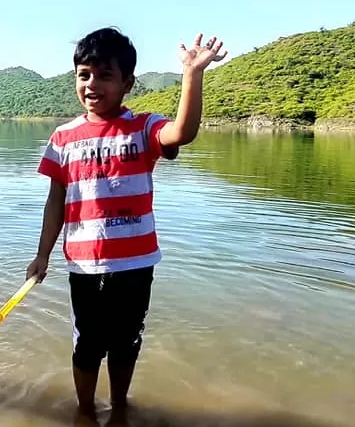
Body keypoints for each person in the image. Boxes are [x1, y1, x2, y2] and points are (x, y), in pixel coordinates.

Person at [25, 27, 227, 422]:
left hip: (135, 262)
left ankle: (119, 406)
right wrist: (42, 255)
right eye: (84, 75)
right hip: (84, 264)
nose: (92, 84)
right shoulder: (63, 137)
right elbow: (55, 201)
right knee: (87, 344)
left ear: (127, 84)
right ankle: (85, 411)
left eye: (105, 75)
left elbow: (182, 132)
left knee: (126, 341)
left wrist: (192, 74)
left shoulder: (144, 127)